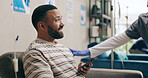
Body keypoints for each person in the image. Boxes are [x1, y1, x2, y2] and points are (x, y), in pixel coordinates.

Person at [23, 5, 92, 78]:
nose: (62, 24)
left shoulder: (63, 48)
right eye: (57, 20)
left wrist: (79, 73)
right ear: (42, 26)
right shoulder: (35, 53)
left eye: (61, 19)